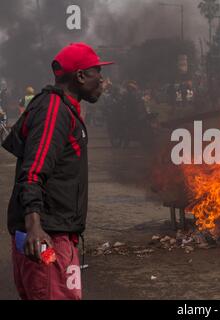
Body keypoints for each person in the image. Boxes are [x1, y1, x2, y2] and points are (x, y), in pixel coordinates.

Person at [4, 42, 113, 300]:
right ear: (80, 75)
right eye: (97, 71)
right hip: (48, 238)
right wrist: (34, 227)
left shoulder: (60, 107)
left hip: (52, 233)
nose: (102, 79)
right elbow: (32, 172)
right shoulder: (54, 110)